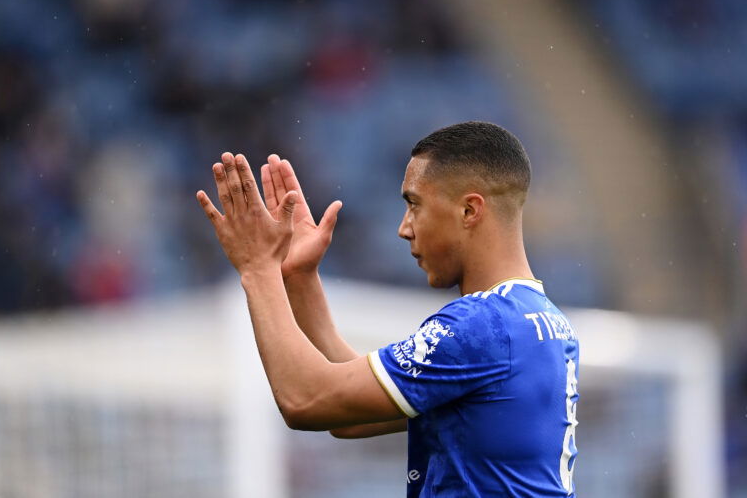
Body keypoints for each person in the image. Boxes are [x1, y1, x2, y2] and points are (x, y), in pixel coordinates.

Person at [196, 121, 580, 497]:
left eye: (414, 204)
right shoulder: (540, 321)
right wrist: (299, 277)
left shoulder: (482, 327)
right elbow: (348, 416)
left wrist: (258, 268)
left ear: (469, 211)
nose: (404, 228)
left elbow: (306, 400)